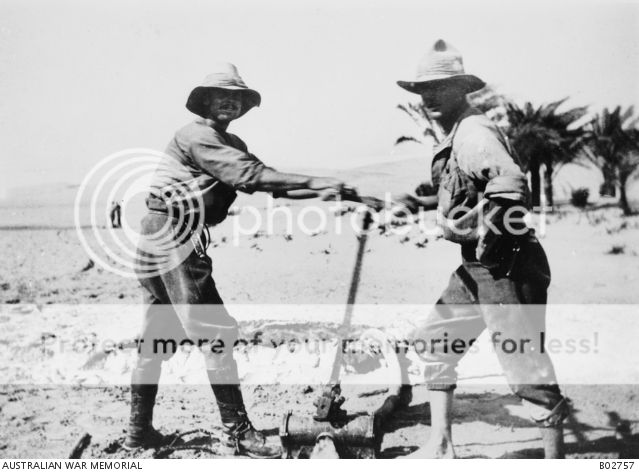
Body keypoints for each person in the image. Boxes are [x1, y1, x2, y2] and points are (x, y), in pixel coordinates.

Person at [125, 63, 352, 457]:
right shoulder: (197, 136)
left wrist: (334, 191)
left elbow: (270, 180)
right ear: (205, 101)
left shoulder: (230, 143)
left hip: (159, 235)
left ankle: (137, 432)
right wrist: (319, 182)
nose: (230, 102)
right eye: (221, 95)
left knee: (156, 334)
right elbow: (255, 177)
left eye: (237, 97)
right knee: (215, 333)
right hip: (173, 235)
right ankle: (239, 433)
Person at [395, 40, 569, 458]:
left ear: (462, 89)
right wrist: (416, 202)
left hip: (506, 265)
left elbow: (509, 184)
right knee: (437, 341)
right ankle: (440, 445)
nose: (430, 97)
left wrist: (491, 238)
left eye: (441, 87)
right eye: (424, 89)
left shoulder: (474, 133)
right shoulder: (457, 134)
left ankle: (556, 460)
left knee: (525, 367)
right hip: (476, 267)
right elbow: (464, 193)